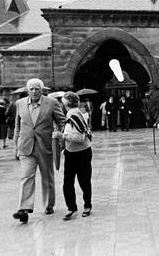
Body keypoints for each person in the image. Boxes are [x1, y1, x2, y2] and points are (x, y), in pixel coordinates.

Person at [12, 78, 66, 224]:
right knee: (26, 177)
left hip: (46, 146)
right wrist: (16, 146)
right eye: (31, 89)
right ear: (27, 90)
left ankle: (49, 205)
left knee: (47, 177)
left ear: (42, 90)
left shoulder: (51, 103)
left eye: (37, 89)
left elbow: (62, 122)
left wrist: (60, 135)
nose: (34, 91)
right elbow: (17, 126)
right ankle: (24, 209)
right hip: (26, 146)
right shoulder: (20, 103)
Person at [58, 91, 93, 220]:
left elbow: (80, 137)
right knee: (68, 182)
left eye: (63, 101)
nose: (62, 104)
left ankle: (86, 206)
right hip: (71, 153)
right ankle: (72, 208)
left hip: (81, 152)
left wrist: (62, 135)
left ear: (67, 103)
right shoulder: (72, 113)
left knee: (83, 181)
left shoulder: (74, 114)